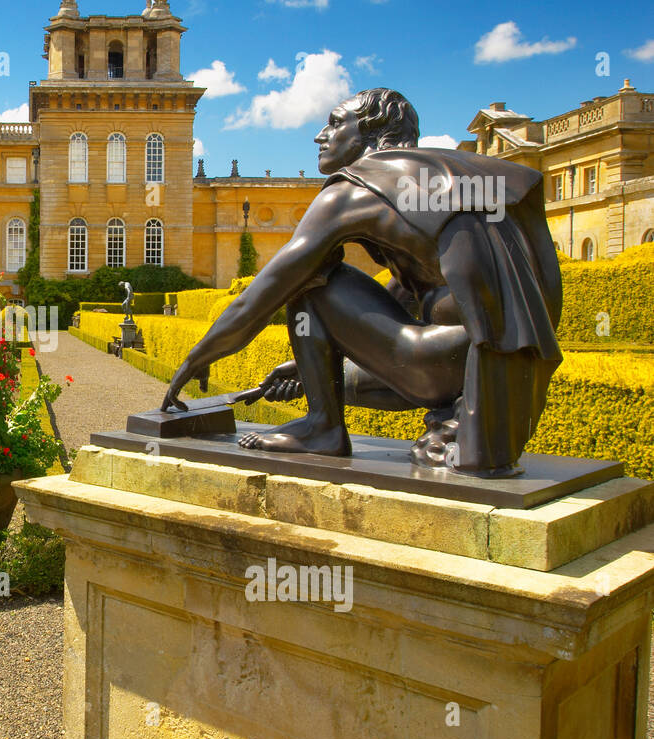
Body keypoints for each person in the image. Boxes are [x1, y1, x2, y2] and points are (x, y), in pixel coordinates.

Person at [160, 88, 562, 476]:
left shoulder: (355, 190)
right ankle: (320, 412)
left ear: (374, 135)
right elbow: (402, 299)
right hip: (485, 368)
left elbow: (265, 293)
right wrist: (308, 368)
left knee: (311, 280)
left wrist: (195, 359)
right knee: (342, 368)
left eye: (335, 123)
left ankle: (323, 429)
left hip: (446, 364)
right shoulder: (441, 178)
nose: (321, 135)